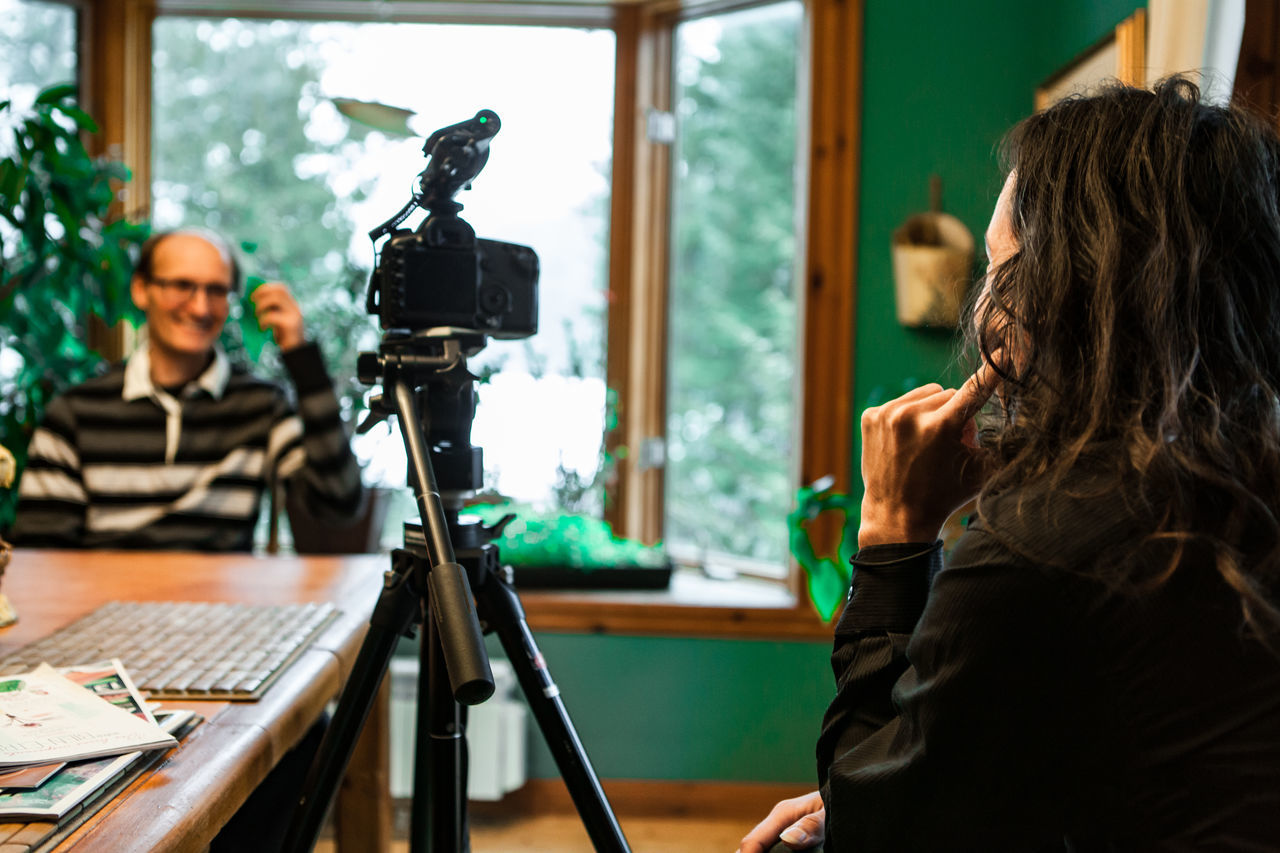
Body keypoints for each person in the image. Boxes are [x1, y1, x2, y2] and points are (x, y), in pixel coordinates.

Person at [740, 77, 1280, 852]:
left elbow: (877, 837)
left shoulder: (1044, 552)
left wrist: (894, 532)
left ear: (1065, 287)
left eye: (998, 265)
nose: (986, 299)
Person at [10, 228, 363, 550]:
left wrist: (302, 360)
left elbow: (339, 506)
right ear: (140, 289)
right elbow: (41, 553)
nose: (200, 307)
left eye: (216, 290)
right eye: (182, 285)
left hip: (222, 615)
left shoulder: (263, 406)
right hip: (101, 611)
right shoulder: (74, 413)